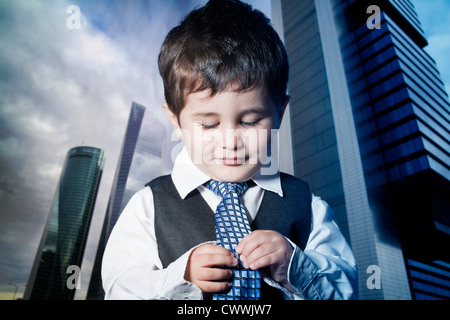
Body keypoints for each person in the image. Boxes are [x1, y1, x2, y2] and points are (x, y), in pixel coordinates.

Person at [102, 0, 357, 300]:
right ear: (176, 121)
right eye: (208, 125)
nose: (230, 141)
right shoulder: (148, 206)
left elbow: (345, 293)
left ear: (280, 113)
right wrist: (179, 278)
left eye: (250, 121)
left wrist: (294, 265)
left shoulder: (308, 206)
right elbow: (120, 290)